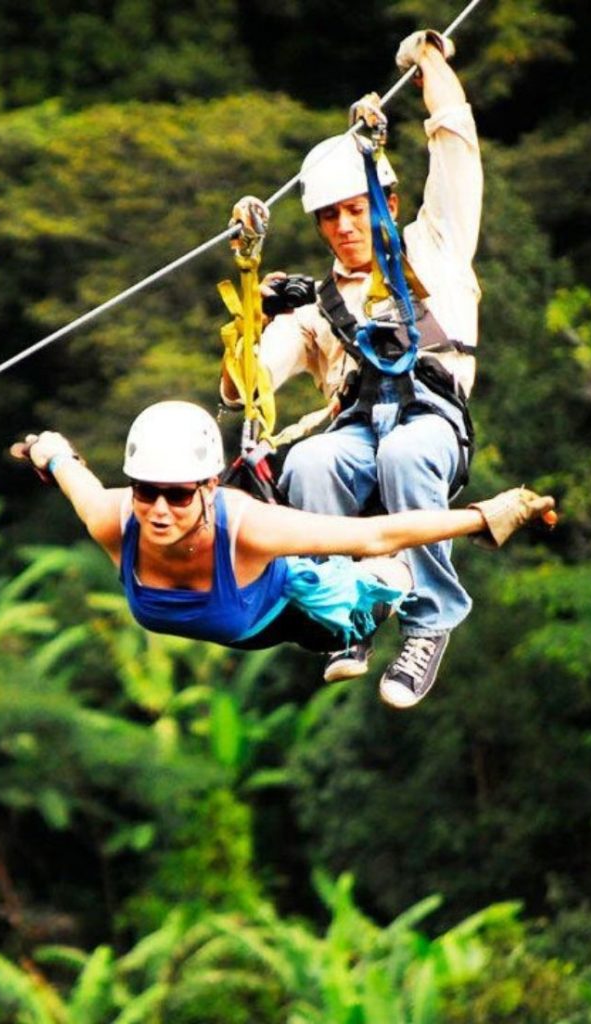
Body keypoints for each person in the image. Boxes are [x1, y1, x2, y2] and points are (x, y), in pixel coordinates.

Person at [221, 29, 484, 706]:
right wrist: (252, 308)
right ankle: (350, 613)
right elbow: (243, 389)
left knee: (403, 454)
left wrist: (427, 60)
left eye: (355, 210)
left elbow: (455, 142)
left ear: (387, 204)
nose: (342, 227)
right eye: (328, 217)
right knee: (307, 465)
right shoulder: (315, 309)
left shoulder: (438, 243)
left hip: (430, 425)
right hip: (357, 434)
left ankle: (429, 622)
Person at [13, 401, 554, 709]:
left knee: (351, 599)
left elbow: (377, 535)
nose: (158, 510)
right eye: (145, 490)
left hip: (298, 613)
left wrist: (487, 517)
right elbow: (70, 472)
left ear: (208, 485)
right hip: (240, 618)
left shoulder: (247, 528)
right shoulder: (113, 517)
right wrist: (48, 449)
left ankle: (392, 590)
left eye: (177, 494)